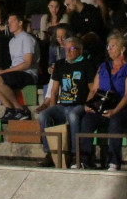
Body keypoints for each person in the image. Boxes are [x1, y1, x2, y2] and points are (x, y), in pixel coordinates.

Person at [79, 32, 127, 171]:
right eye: (108, 46)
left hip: (124, 108)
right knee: (87, 120)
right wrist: (88, 104)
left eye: (113, 46)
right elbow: (94, 89)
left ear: (122, 49)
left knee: (115, 119)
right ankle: (84, 159)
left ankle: (114, 161)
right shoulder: (103, 67)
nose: (109, 49)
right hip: (104, 106)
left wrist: (115, 110)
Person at [35, 36, 96, 167]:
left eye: (72, 49)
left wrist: (88, 104)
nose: (68, 52)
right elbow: (54, 90)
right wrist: (52, 107)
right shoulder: (60, 64)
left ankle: (75, 155)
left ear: (80, 50)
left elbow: (93, 89)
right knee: (44, 116)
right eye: (66, 49)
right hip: (63, 105)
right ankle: (50, 152)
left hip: (79, 104)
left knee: (74, 116)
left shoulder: (87, 64)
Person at [0, 13, 38, 120]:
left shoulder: (26, 38)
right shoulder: (12, 41)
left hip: (27, 73)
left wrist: (6, 71)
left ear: (20, 23)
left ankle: (20, 110)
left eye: (12, 21)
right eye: (8, 22)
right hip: (15, 72)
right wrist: (3, 70)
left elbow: (27, 63)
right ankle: (9, 109)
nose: (9, 24)